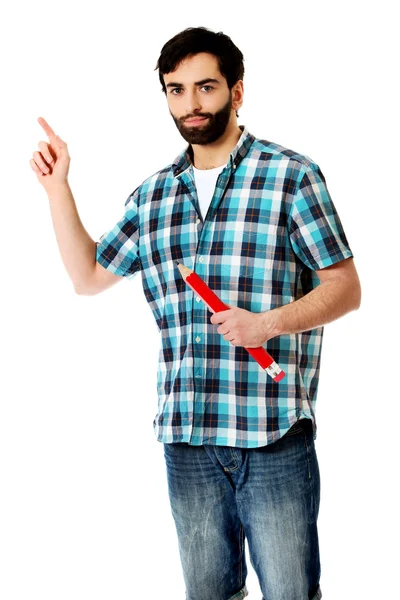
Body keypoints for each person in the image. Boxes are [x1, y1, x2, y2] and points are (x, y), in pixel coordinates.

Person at [30, 26, 361, 600]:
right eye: (176, 90)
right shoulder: (153, 196)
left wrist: (268, 323)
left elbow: (346, 287)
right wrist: (59, 188)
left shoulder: (291, 176)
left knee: (291, 594)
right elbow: (86, 277)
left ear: (236, 91)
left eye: (205, 87)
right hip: (186, 436)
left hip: (273, 434)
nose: (191, 104)